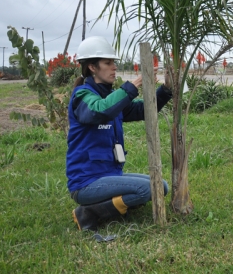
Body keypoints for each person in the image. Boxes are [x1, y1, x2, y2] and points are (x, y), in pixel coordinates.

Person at [67, 36, 173, 231]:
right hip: (86, 182)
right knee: (146, 189)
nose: (114, 67)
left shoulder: (111, 98)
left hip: (110, 175)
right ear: (92, 67)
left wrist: (165, 90)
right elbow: (100, 110)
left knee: (161, 186)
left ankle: (111, 205)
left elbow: (142, 110)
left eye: (114, 63)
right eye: (108, 63)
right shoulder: (82, 96)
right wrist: (130, 88)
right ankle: (88, 212)